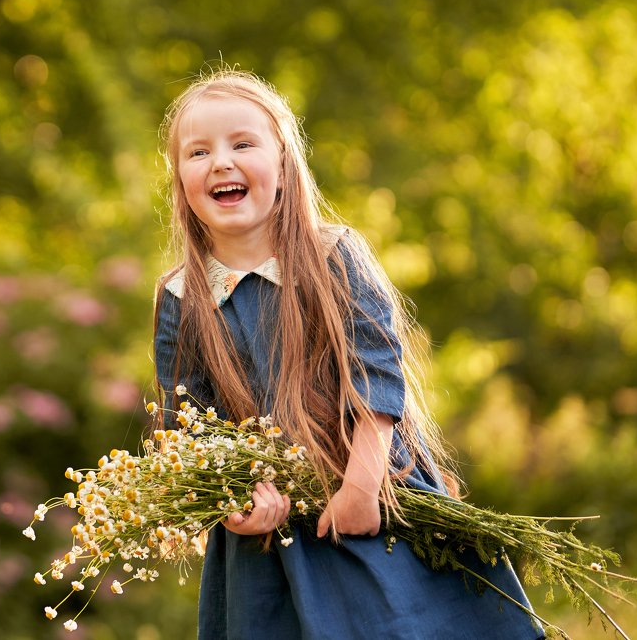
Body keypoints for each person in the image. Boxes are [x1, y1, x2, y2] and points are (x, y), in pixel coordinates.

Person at [153, 69, 543, 640]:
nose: (221, 162)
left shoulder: (334, 257)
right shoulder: (181, 298)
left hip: (365, 495)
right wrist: (235, 504)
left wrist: (361, 488)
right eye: (198, 152)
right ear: (180, 179)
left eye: (242, 144)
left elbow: (377, 382)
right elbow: (189, 427)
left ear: (283, 166)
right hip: (269, 544)